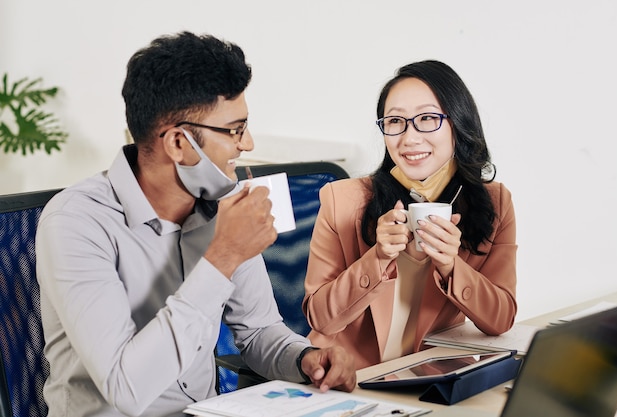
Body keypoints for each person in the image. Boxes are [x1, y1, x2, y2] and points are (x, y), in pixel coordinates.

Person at [35, 31, 355, 417]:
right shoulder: (75, 223)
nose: (248, 143)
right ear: (177, 143)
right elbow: (125, 388)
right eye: (235, 129)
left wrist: (306, 357)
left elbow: (257, 333)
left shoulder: (222, 204)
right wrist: (224, 255)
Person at [302, 60, 517, 370]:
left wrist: (449, 265)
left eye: (428, 118)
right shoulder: (343, 200)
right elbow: (321, 320)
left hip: (432, 379)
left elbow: (501, 319)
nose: (409, 138)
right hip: (348, 378)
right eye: (395, 122)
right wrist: (377, 258)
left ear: (457, 122)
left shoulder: (495, 203)